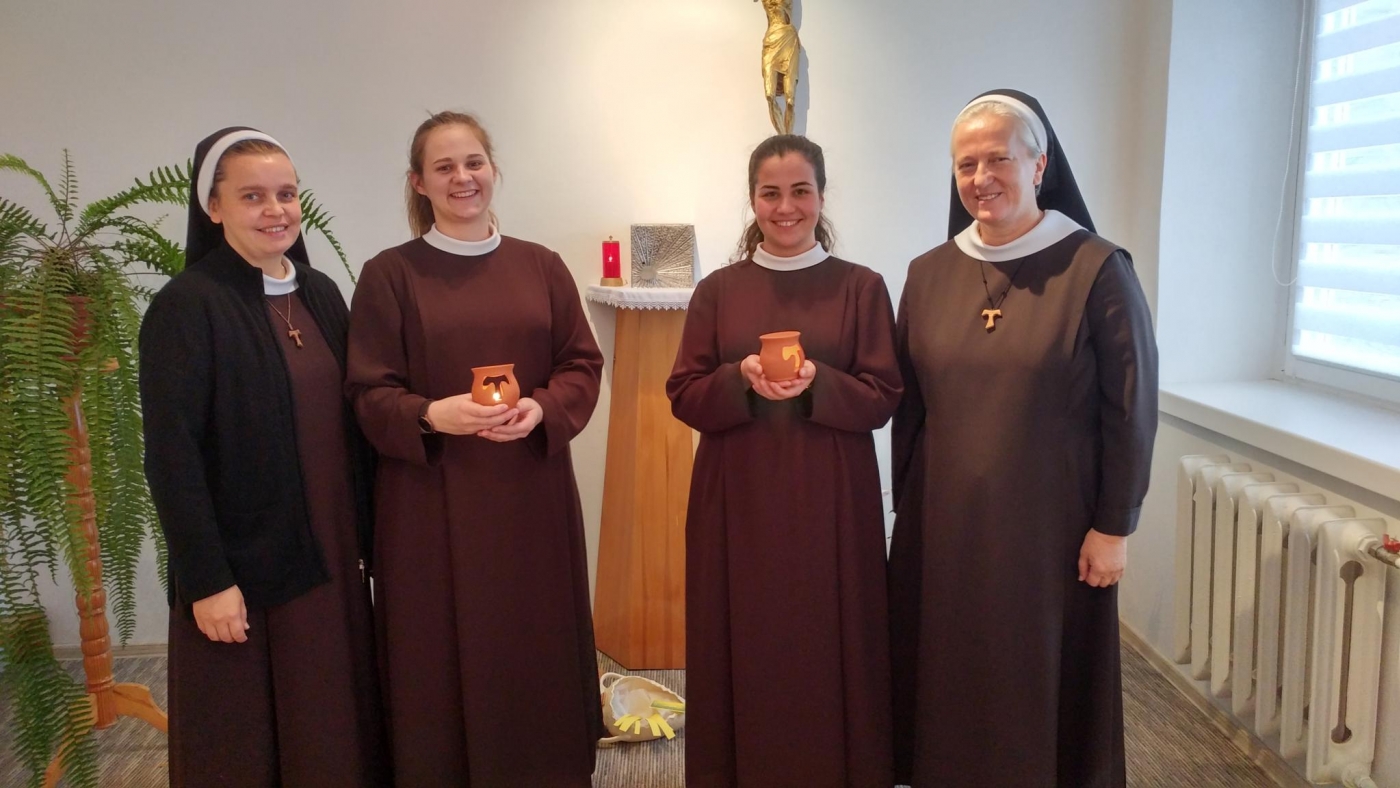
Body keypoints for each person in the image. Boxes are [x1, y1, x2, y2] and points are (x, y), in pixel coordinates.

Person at [888, 89, 1159, 787]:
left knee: (1036, 681)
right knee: (949, 673)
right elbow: (910, 406)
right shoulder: (927, 273)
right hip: (946, 528)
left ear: (1039, 166)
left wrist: (1114, 526)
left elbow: (1130, 407)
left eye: (998, 159)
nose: (981, 178)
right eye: (965, 164)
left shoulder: (1097, 269)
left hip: (1053, 534)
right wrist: (906, 513)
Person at [345, 111, 605, 786]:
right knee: (441, 654)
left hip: (530, 498)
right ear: (418, 183)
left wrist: (541, 408)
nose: (462, 178)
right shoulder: (390, 275)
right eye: (444, 167)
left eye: (473, 163)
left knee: (534, 641)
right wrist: (433, 414)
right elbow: (367, 393)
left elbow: (581, 364)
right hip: (432, 506)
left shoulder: (541, 266)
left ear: (493, 170)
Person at [140, 127, 386, 787]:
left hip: (330, 552)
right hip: (244, 569)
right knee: (245, 738)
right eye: (252, 196)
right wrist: (207, 580)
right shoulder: (186, 307)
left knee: (330, 717)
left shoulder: (321, 292)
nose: (275, 210)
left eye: (286, 193)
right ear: (213, 207)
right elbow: (171, 457)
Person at [667, 134, 902, 788]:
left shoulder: (861, 288)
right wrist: (739, 379)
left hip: (832, 501)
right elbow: (683, 393)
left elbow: (884, 396)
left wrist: (818, 382)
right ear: (753, 200)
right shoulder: (718, 291)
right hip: (737, 500)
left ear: (821, 196)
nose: (786, 206)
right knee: (748, 640)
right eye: (770, 193)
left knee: (828, 642)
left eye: (800, 191)